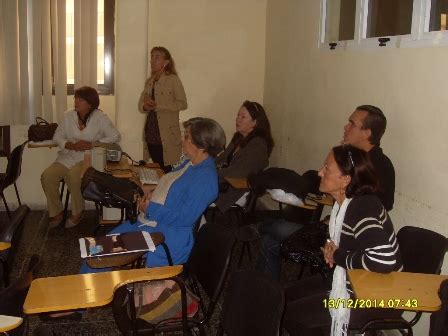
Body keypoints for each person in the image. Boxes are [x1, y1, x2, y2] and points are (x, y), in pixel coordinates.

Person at [256, 104, 395, 280]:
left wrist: (340, 221)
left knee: (272, 229)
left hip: (349, 242)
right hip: (334, 230)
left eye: (352, 124)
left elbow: (378, 206)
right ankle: (265, 292)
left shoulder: (379, 166)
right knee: (271, 236)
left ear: (367, 133)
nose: (346, 127)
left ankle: (268, 294)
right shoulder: (348, 158)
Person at [282, 145, 402, 335]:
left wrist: (339, 256)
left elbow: (384, 260)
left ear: (346, 179)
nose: (320, 173)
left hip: (377, 297)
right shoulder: (344, 205)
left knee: (293, 315)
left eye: (327, 168)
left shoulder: (363, 207)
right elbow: (349, 244)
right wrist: (333, 251)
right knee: (284, 296)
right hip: (352, 280)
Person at [81, 117, 226, 271]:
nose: (181, 139)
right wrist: (153, 192)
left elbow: (184, 218)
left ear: (201, 144)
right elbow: (172, 187)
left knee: (94, 260)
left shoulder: (205, 179)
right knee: (94, 250)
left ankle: (93, 292)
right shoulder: (191, 163)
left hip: (163, 236)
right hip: (149, 224)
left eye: (186, 136)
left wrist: (150, 208)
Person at [41, 86, 120, 229]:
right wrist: (69, 145)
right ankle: (57, 211)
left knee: (73, 176)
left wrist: (92, 144)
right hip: (67, 156)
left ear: (90, 103)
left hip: (87, 158)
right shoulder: (68, 116)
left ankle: (78, 211)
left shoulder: (100, 117)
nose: (76, 102)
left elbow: (115, 136)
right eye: (75, 98)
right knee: (47, 176)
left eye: (80, 99)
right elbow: (57, 136)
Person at [214, 100, 274, 212]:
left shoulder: (258, 145)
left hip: (237, 190)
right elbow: (221, 158)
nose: (238, 119)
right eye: (238, 115)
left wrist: (209, 173)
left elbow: (237, 173)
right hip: (225, 182)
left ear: (255, 122)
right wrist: (205, 166)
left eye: (243, 117)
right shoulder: (239, 137)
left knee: (195, 191)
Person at [138, 46, 187, 170]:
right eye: (152, 57)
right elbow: (141, 105)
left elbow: (182, 104)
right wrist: (145, 105)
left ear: (166, 62)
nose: (152, 61)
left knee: (166, 169)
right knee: (156, 167)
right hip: (151, 131)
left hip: (166, 134)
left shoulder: (173, 80)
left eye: (157, 57)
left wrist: (159, 106)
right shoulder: (150, 81)